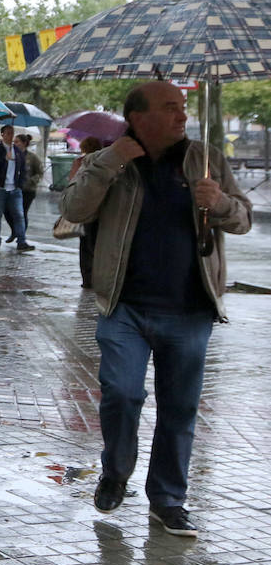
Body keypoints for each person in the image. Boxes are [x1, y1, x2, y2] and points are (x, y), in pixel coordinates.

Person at [61, 81, 252, 537]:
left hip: (189, 311)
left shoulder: (206, 159)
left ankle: (167, 499)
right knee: (122, 394)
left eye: (183, 108)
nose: (182, 116)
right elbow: (74, 210)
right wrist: (110, 162)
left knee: (180, 409)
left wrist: (220, 203)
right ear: (138, 116)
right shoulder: (106, 161)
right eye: (170, 108)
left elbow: (243, 217)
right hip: (124, 307)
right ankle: (115, 470)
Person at [0, 124, 35, 253]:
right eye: (8, 133)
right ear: (2, 134)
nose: (10, 136)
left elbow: (23, 168)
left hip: (15, 189)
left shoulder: (18, 151)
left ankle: (21, 241)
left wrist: (20, 184)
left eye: (12, 133)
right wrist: (5, 160)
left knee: (19, 215)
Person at [68, 136, 103, 288]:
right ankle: (97, 276)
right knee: (97, 243)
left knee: (85, 244)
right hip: (101, 207)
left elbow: (72, 182)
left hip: (85, 207)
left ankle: (87, 278)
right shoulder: (104, 162)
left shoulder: (80, 162)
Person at [5, 133, 44, 244]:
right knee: (7, 211)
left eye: (17, 142)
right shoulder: (11, 154)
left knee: (22, 213)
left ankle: (21, 236)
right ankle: (15, 231)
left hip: (28, 190)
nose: (15, 144)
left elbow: (40, 172)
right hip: (12, 187)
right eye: (14, 142)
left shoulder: (32, 157)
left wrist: (31, 180)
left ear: (24, 143)